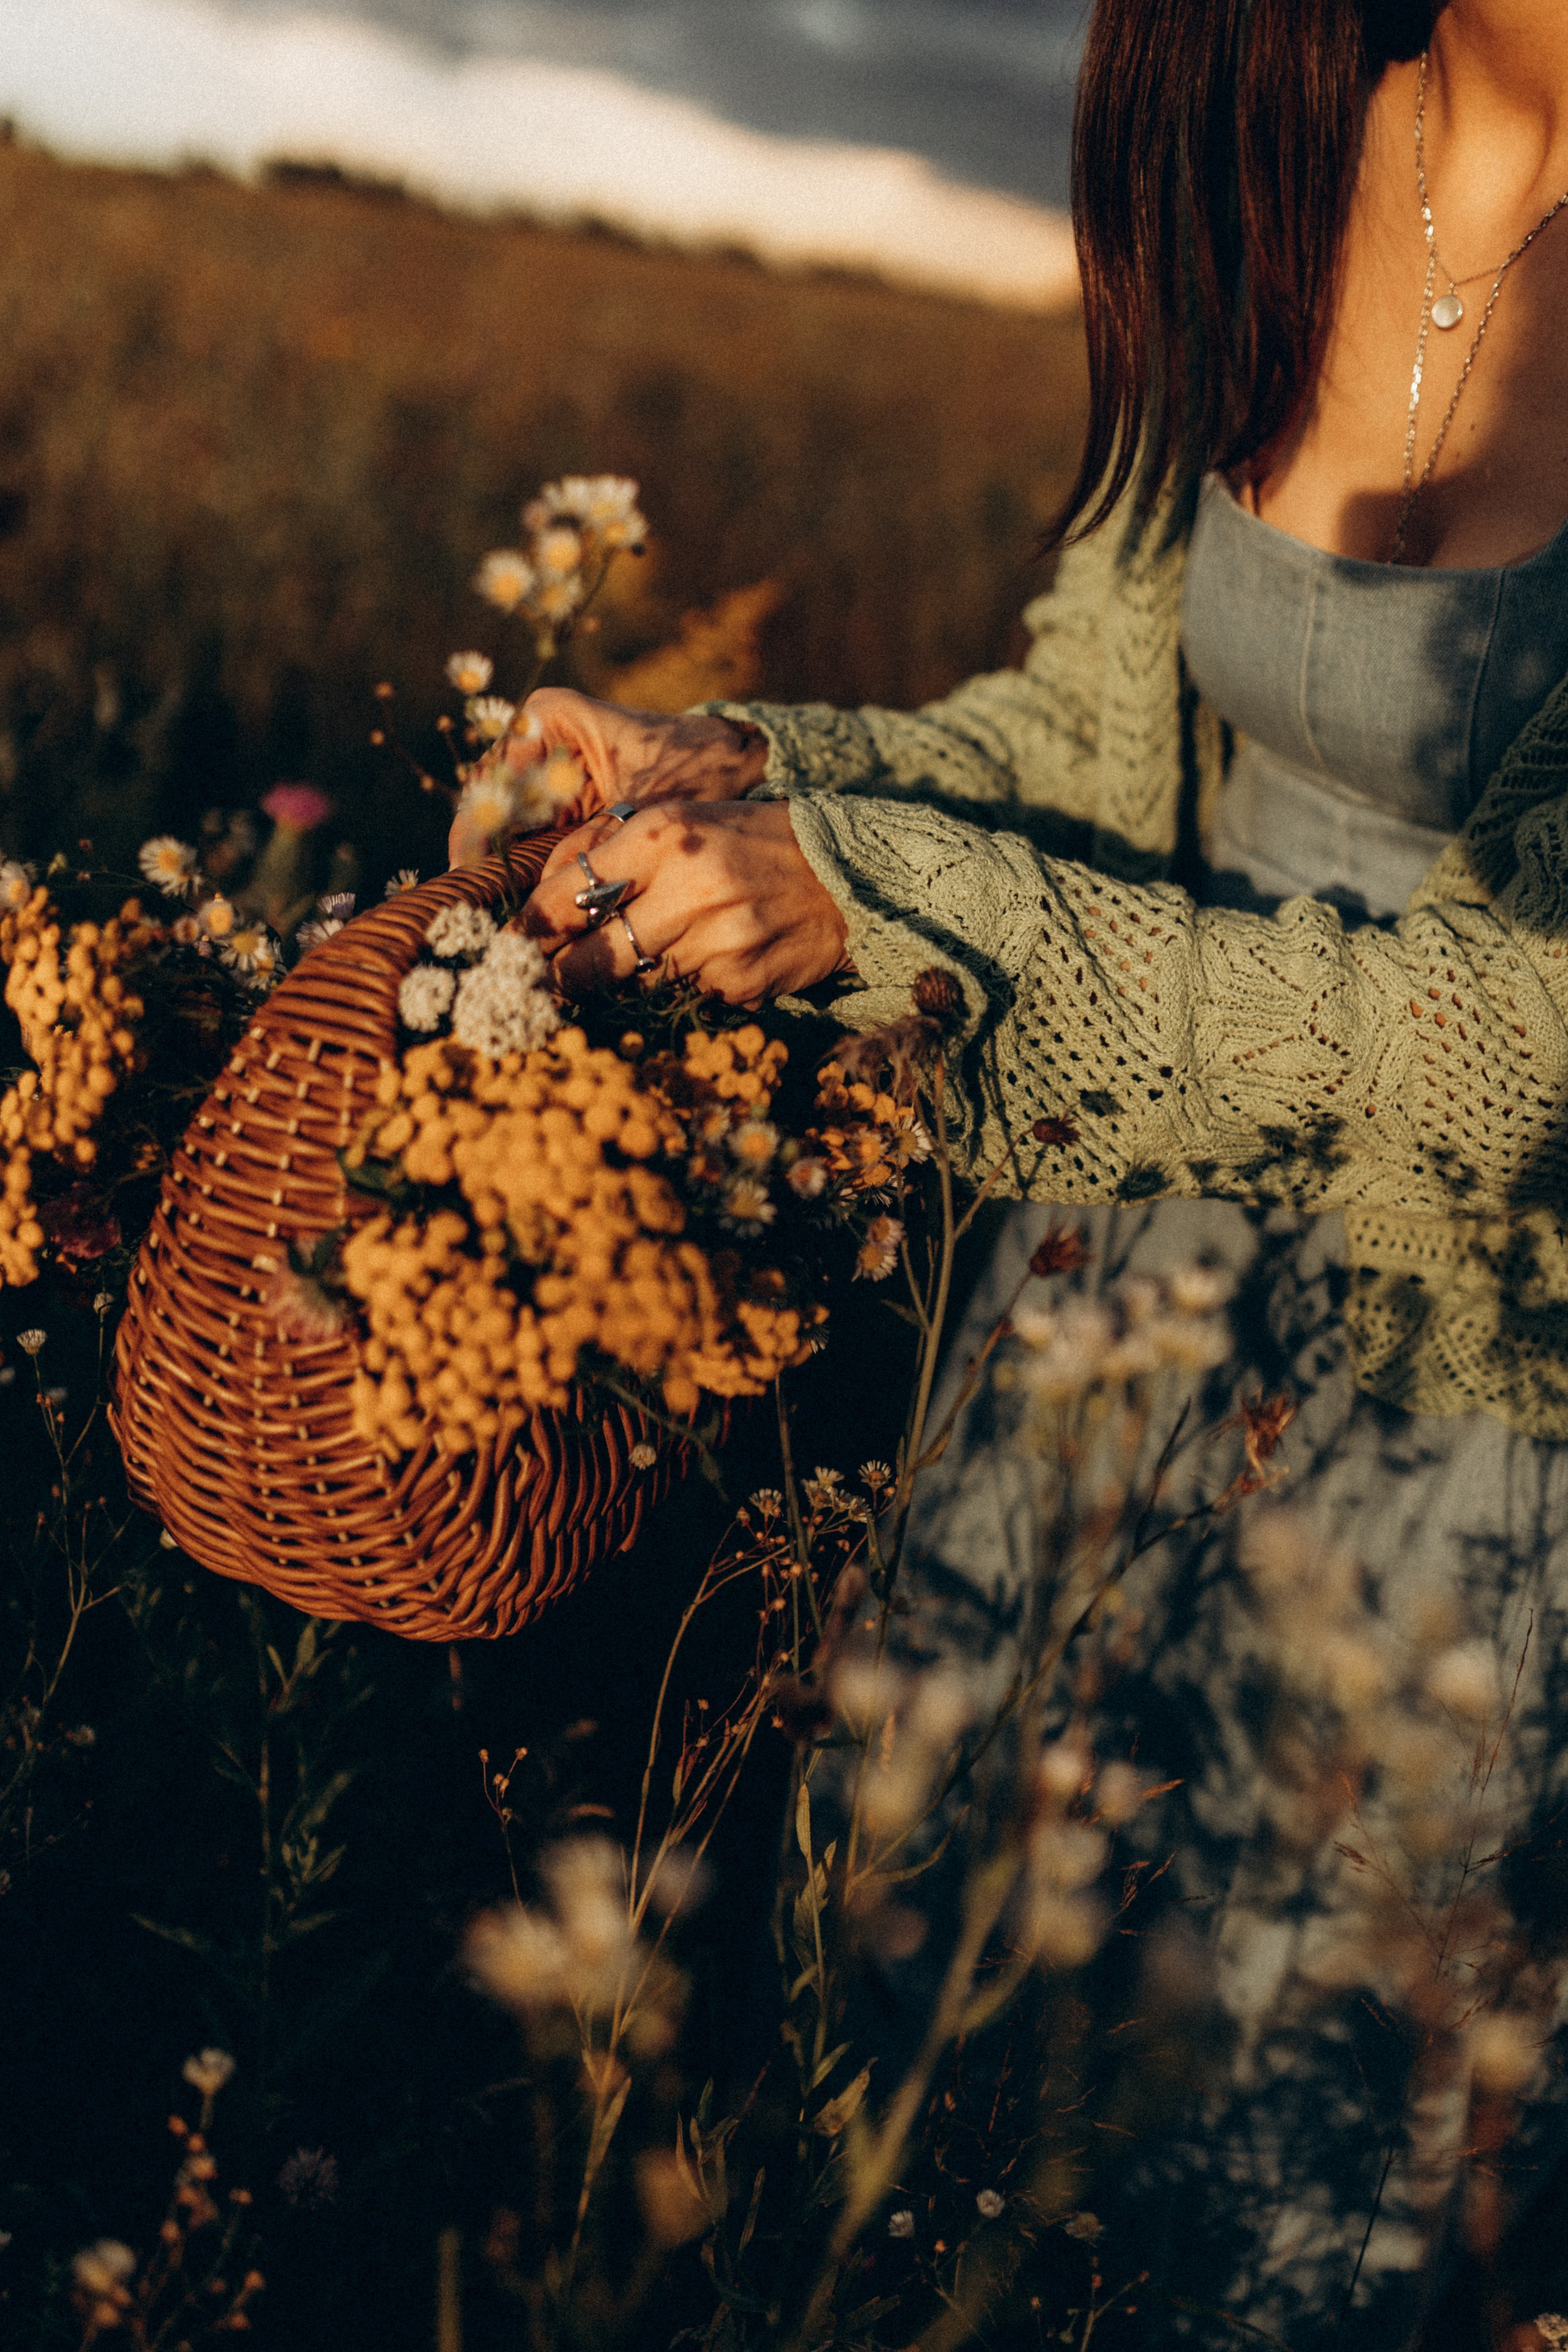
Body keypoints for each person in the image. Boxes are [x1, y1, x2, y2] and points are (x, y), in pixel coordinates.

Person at [458, 3, 1568, 2338]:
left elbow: (1531, 1039)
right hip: (1100, 1309)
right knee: (909, 2079)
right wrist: (732, 779)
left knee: (1288, 2185)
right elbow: (1081, 734)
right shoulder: (1277, 125)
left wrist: (913, 904)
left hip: (1468, 1410)